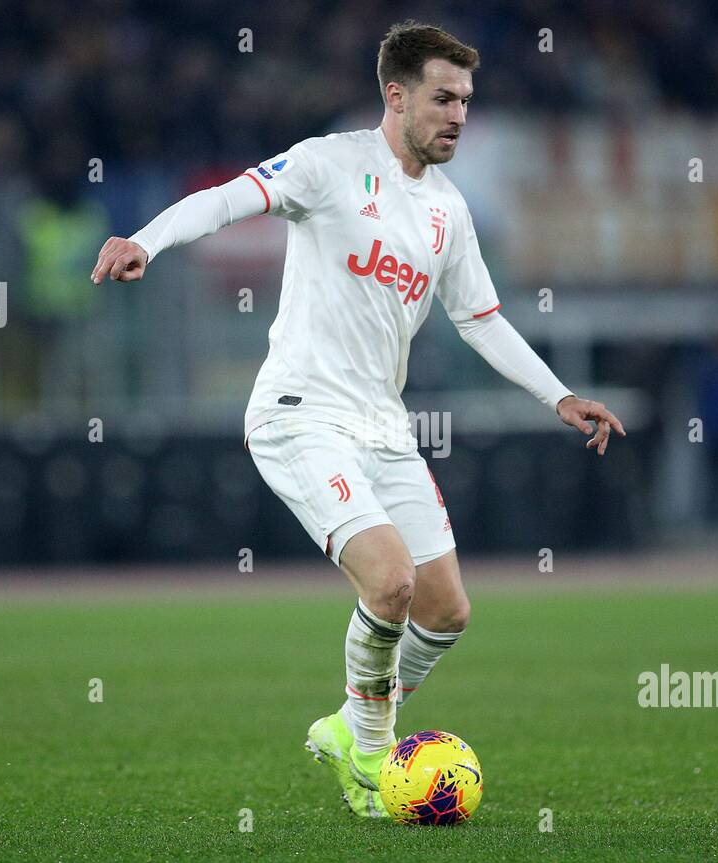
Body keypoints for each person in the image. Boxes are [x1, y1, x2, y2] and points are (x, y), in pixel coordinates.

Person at [91, 20, 624, 818]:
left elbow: (480, 319)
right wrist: (147, 240)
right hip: (299, 414)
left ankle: (353, 721)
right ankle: (371, 752)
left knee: (446, 611)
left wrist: (558, 395)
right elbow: (228, 198)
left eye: (467, 102)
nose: (457, 116)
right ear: (397, 96)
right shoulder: (329, 164)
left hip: (383, 426)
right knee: (392, 581)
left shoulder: (447, 211)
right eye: (443, 99)